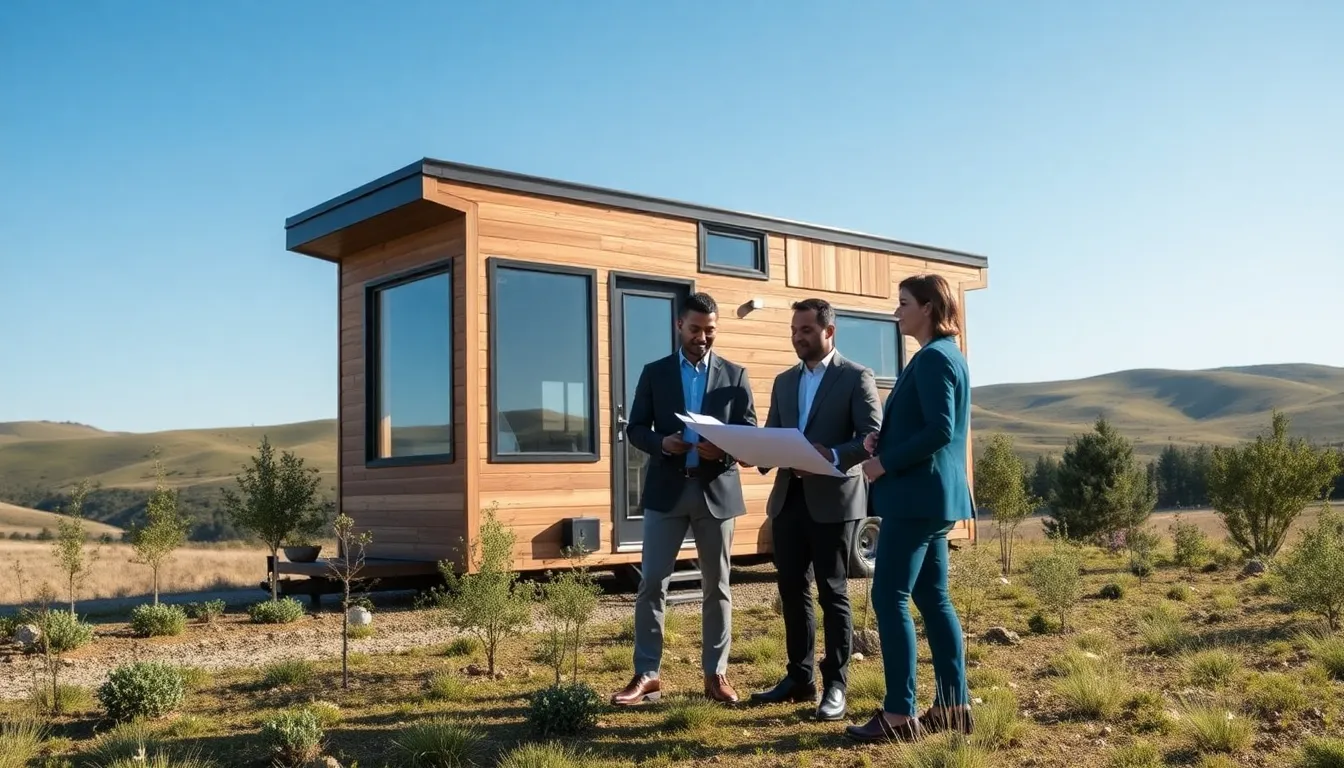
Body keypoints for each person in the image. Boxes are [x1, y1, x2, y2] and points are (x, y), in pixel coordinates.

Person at [844, 274, 975, 743]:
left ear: (927, 307)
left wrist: (883, 462)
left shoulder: (934, 359)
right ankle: (953, 705)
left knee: (889, 597)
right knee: (932, 599)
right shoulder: (945, 357)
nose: (896, 311)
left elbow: (940, 429)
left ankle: (900, 714)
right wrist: (888, 439)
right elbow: (932, 427)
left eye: (903, 303)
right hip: (932, 497)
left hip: (916, 498)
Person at [611, 291, 757, 706]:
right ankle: (647, 675)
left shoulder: (735, 374)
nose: (703, 338)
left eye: (710, 330)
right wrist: (662, 443)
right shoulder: (655, 373)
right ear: (679, 326)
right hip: (667, 492)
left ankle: (716, 676)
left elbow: (749, 435)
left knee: (719, 586)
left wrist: (724, 450)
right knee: (652, 583)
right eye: (695, 330)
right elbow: (635, 428)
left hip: (717, 492)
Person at [748, 298, 881, 721]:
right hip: (789, 500)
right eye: (794, 330)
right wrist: (748, 449)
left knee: (833, 591)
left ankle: (836, 685)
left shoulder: (856, 376)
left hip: (835, 501)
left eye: (805, 330)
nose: (798, 337)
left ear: (829, 332)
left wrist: (834, 454)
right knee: (791, 589)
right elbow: (772, 434)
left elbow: (872, 436)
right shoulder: (785, 381)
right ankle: (800, 678)